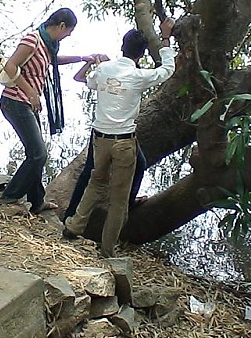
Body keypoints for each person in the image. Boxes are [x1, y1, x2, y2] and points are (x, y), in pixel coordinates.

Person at [63, 18, 176, 257]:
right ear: (141, 54)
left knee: (95, 182)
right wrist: (166, 38)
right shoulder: (138, 77)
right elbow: (167, 70)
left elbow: (85, 80)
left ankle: (73, 226)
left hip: (99, 139)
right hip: (124, 143)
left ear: (121, 47)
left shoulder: (104, 70)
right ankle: (107, 249)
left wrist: (93, 63)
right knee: (119, 198)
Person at [0, 8, 107, 214]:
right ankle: (10, 197)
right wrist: (31, 92)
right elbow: (10, 66)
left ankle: (37, 201)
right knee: (39, 154)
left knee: (34, 153)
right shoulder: (33, 40)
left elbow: (53, 60)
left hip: (28, 104)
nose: (68, 36)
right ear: (61, 26)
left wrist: (83, 58)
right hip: (15, 102)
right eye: (68, 32)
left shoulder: (49, 45)